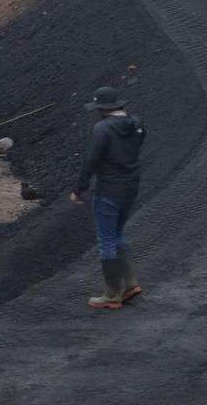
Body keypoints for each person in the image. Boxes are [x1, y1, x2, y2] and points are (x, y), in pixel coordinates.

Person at [71, 87, 146, 310]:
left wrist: (79, 188)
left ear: (103, 108)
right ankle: (130, 284)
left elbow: (91, 160)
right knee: (118, 234)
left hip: (109, 191)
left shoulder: (102, 129)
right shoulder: (137, 124)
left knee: (106, 241)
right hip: (130, 189)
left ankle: (112, 294)